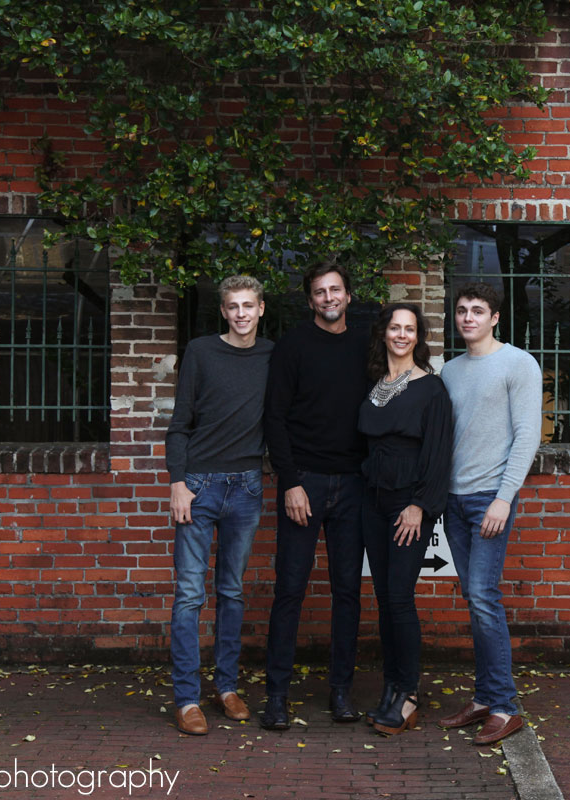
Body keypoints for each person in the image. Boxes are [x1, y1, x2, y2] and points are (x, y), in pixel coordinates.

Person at [259, 261, 369, 730]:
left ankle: (341, 692)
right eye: (320, 292)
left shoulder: (368, 344)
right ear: (310, 300)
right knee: (290, 590)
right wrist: (290, 483)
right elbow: (274, 419)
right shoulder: (293, 347)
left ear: (348, 295)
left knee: (348, 592)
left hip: (355, 485)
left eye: (336, 290)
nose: (329, 298)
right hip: (304, 481)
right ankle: (277, 696)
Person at [165, 274, 273, 736]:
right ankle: (187, 698)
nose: (241, 313)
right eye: (233, 306)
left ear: (261, 309)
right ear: (224, 311)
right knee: (190, 594)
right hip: (199, 486)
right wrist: (177, 482)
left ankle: (226, 687)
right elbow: (179, 423)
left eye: (249, 305)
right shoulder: (201, 351)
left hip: (247, 487)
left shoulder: (274, 356)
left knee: (231, 591)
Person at [437, 281, 542, 746]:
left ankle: (504, 707)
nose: (468, 318)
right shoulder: (450, 371)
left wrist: (504, 497)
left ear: (494, 317)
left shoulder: (517, 363)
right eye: (461, 310)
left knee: (483, 595)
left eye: (478, 311)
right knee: (473, 597)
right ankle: (485, 697)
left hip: (489, 498)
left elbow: (527, 435)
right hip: (453, 500)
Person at [358, 303, 453, 735]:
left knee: (399, 597)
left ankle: (409, 694)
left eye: (409, 329)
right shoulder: (375, 384)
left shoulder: (430, 388)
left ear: (418, 337)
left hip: (407, 506)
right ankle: (391, 686)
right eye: (394, 327)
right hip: (372, 501)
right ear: (384, 333)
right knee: (383, 597)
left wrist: (419, 505)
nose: (401, 334)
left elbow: (438, 456)